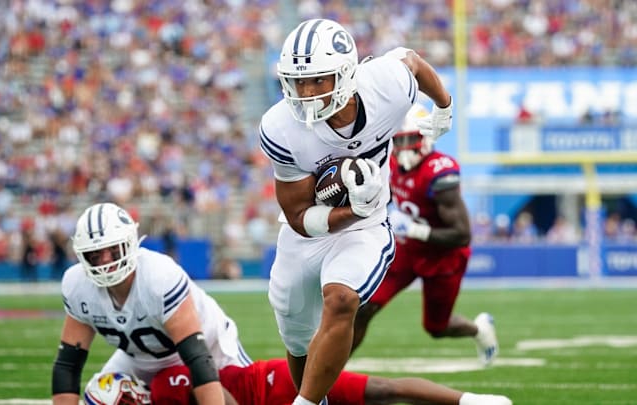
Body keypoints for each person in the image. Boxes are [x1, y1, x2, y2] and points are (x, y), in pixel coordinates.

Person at [258, 18, 454, 405]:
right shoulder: (281, 127)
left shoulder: (384, 86)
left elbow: (413, 62)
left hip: (366, 227)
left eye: (318, 80)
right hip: (308, 231)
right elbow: (298, 215)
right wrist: (347, 210)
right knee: (298, 339)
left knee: (342, 299)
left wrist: (444, 106)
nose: (307, 93)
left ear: (347, 74)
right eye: (299, 82)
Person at [51, 202, 250, 405]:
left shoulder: (158, 277)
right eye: (95, 254)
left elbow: (197, 358)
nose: (105, 261)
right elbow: (69, 364)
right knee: (100, 397)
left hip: (210, 347)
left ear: (130, 244)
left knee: (244, 399)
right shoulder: (77, 285)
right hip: (141, 358)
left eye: (114, 250)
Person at [351, 104, 499, 366]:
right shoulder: (390, 162)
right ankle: (329, 376)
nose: (403, 147)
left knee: (437, 327)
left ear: (425, 139)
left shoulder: (439, 172)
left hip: (444, 256)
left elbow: (462, 234)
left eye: (410, 139)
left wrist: (416, 229)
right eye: (398, 141)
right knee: (362, 308)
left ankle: (479, 330)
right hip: (407, 250)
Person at [148, 358, 513, 405]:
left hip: (274, 384)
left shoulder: (163, 383)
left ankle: (470, 400)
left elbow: (221, 395)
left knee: (380, 390)